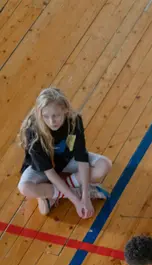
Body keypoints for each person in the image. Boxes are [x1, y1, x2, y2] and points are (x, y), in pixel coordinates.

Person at [18, 87, 112, 217]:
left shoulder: (74, 121)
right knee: (25, 188)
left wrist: (85, 197)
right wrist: (76, 201)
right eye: (46, 116)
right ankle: (71, 190)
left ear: (65, 110)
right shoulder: (33, 131)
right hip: (43, 169)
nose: (52, 121)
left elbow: (82, 159)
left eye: (56, 115)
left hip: (66, 160)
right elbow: (49, 172)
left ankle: (51, 194)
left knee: (105, 165)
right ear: (40, 114)